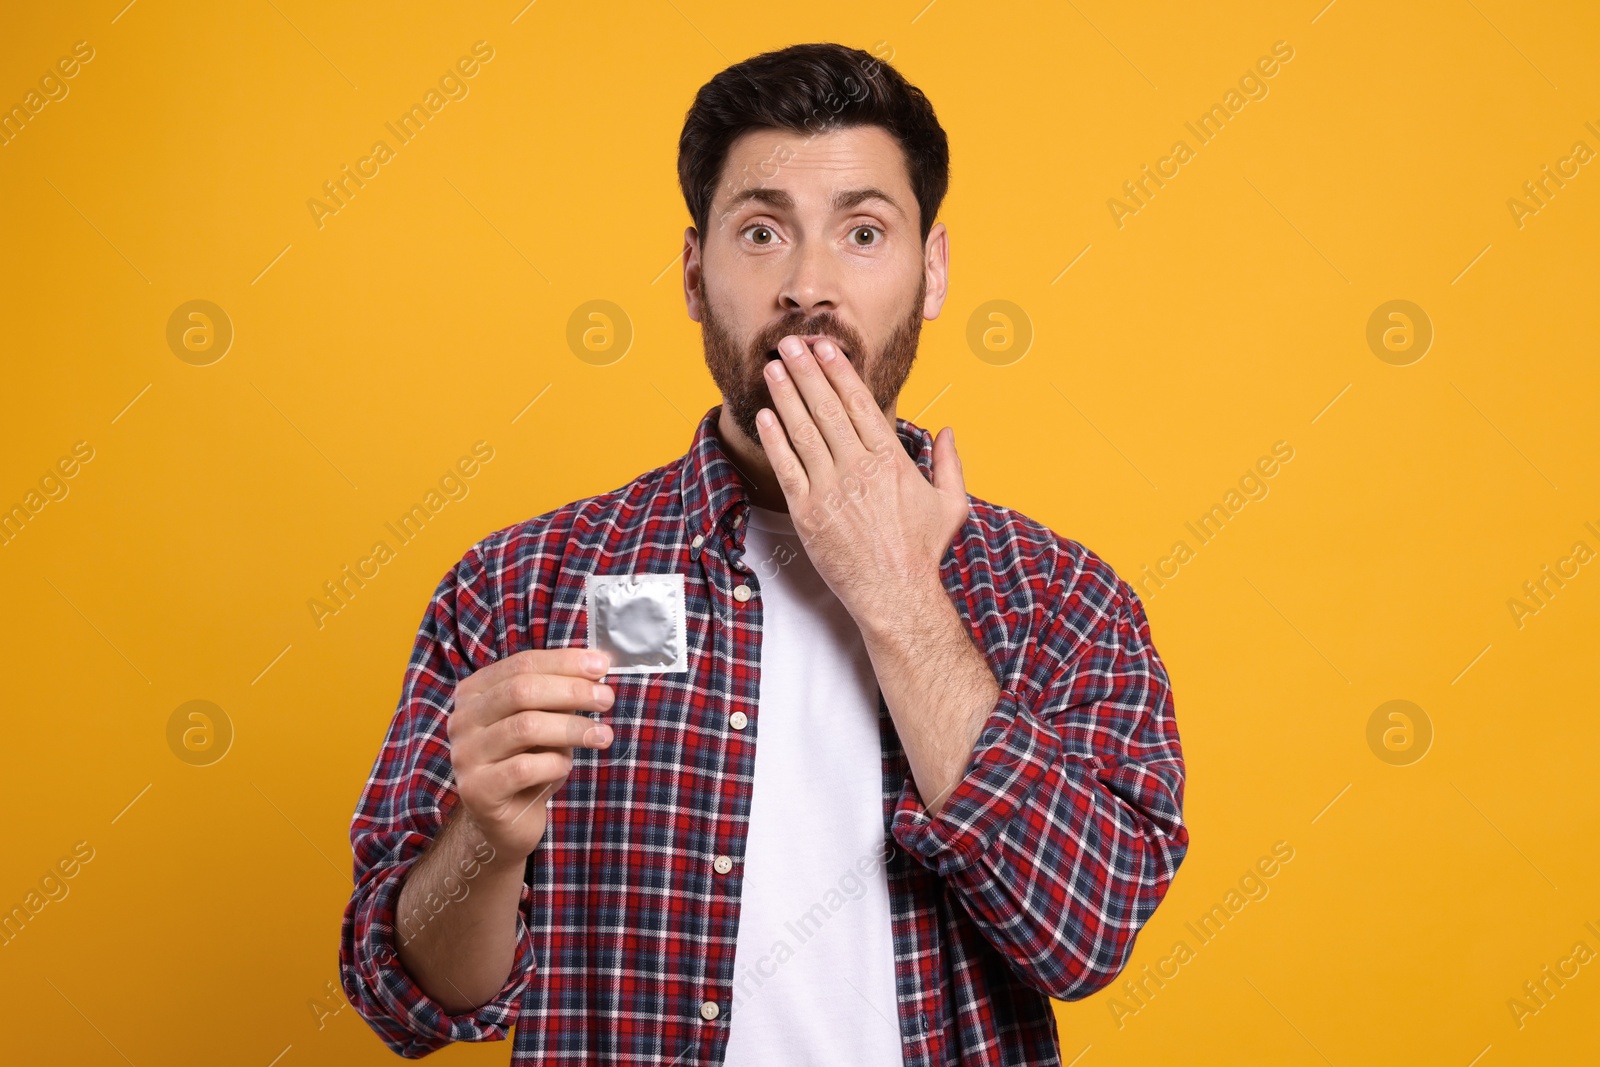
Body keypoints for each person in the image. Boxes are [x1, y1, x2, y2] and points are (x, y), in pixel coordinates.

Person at [340, 41, 1189, 1066]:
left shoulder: (1061, 598)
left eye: (863, 232)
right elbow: (407, 999)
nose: (807, 285)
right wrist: (486, 841)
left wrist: (896, 595)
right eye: (760, 231)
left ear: (932, 271)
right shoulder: (520, 584)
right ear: (695, 275)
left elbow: (1085, 933)